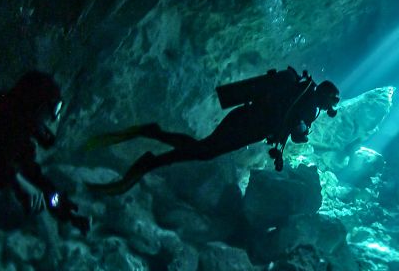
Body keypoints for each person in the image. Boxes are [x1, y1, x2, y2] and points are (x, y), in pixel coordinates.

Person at [86, 67, 339, 195]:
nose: (331, 107)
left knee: (203, 150)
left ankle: (151, 152)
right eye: (332, 101)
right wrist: (300, 133)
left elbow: (285, 124)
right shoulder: (308, 105)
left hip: (245, 121)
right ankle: (150, 152)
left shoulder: (303, 95)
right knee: (203, 150)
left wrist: (282, 148)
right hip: (246, 126)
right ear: (325, 95)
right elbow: (295, 130)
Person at [0, 71, 90, 232]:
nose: (52, 119)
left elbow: (35, 177)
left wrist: (64, 210)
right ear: (36, 106)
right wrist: (18, 181)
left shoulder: (19, 136)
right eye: (52, 109)